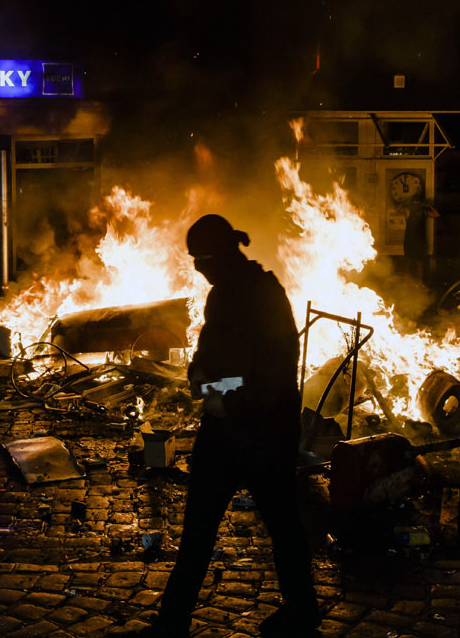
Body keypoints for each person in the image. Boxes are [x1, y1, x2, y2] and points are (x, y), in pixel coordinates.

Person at [133, 215, 319, 638]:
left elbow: (272, 376)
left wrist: (224, 398)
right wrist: (200, 376)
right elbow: (211, 346)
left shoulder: (264, 296)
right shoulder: (222, 294)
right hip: (228, 431)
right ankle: (173, 621)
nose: (198, 268)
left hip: (263, 434)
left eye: (202, 259)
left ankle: (302, 613)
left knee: (283, 525)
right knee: (198, 527)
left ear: (222, 255)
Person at [402, 194, 439, 283]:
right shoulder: (410, 210)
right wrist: (406, 204)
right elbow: (436, 214)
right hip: (412, 239)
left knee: (417, 263)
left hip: (417, 239)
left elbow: (436, 215)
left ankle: (415, 282)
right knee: (411, 262)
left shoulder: (422, 211)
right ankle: (408, 281)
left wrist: (428, 206)